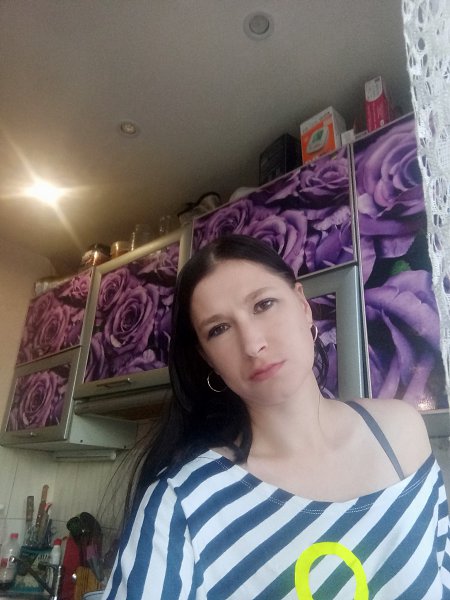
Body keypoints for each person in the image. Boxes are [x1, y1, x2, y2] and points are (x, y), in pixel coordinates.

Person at [103, 234, 450, 599]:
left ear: (302, 305)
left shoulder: (402, 433)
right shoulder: (181, 504)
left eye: (264, 304)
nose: (253, 345)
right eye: (218, 329)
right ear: (208, 359)